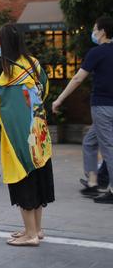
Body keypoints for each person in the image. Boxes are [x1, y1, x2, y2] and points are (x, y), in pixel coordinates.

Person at [0, 24, 54, 246]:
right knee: (38, 181)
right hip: (38, 135)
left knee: (24, 184)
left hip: (19, 140)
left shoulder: (8, 75)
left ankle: (30, 236)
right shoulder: (34, 64)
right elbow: (44, 91)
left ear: (6, 44)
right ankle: (35, 230)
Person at [52, 16, 113, 204]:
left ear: (102, 31)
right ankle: (93, 182)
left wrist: (59, 99)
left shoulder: (97, 52)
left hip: (102, 106)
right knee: (89, 141)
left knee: (109, 148)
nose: (93, 32)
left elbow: (78, 79)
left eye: (95, 28)